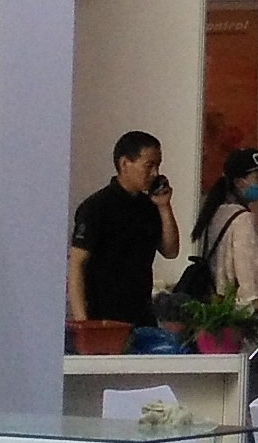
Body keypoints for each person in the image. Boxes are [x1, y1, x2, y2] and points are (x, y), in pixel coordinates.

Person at [64, 129, 179, 327]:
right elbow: (76, 264)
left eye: (158, 166)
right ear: (125, 163)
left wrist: (164, 206)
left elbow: (170, 251)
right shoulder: (96, 207)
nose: (155, 173)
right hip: (103, 315)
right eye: (149, 166)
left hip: (141, 313)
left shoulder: (149, 206)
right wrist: (83, 322)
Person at [185, 147, 258, 311]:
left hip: (219, 307)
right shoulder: (243, 219)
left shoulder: (216, 213)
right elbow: (249, 278)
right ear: (239, 182)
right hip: (243, 312)